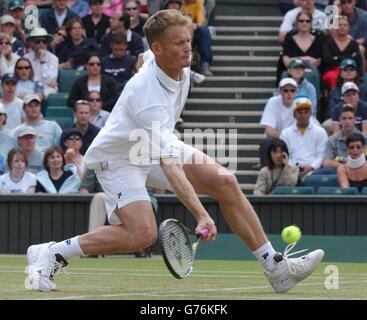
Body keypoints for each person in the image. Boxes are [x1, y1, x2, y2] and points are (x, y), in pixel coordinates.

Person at [25, 9, 324, 293]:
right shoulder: (146, 95)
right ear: (158, 48)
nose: (187, 49)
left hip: (154, 142)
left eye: (189, 41)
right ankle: (52, 253)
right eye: (179, 43)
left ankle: (275, 268)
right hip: (118, 158)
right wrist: (201, 214)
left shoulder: (168, 60)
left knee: (225, 181)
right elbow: (169, 166)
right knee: (142, 235)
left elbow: (144, 57)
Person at [280, 96, 328, 176]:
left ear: (310, 114)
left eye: (306, 112)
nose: (303, 115)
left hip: (314, 171)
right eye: (300, 112)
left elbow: (321, 155)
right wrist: (293, 168)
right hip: (291, 169)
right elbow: (285, 155)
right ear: (294, 114)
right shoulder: (285, 133)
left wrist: (311, 167)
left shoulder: (320, 132)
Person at [259, 78, 298, 167]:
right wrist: (286, 138)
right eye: (285, 90)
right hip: (276, 139)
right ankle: (266, 173)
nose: (289, 93)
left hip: (294, 139)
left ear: (296, 92)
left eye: (292, 90)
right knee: (266, 142)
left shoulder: (299, 104)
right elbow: (269, 131)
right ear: (280, 92)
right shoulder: (272, 102)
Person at [322, 15, 363, 90]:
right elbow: (327, 59)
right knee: (332, 77)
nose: (342, 27)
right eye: (339, 25)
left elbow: (358, 60)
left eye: (345, 25)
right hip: (332, 70)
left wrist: (337, 58)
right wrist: (349, 58)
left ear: (349, 28)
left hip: (350, 70)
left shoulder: (354, 44)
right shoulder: (328, 43)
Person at [319, 104, 360, 174]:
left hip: (360, 170)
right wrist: (344, 166)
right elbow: (326, 162)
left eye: (350, 118)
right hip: (339, 171)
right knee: (323, 172)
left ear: (354, 120)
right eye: (344, 119)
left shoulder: (364, 138)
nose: (347, 121)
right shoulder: (332, 139)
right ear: (340, 120)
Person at [24, 27, 59, 97]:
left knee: (43, 92)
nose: (41, 44)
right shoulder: (26, 58)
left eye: (44, 41)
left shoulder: (53, 58)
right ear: (32, 43)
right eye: (38, 41)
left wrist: (43, 61)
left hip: (47, 89)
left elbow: (50, 80)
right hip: (30, 86)